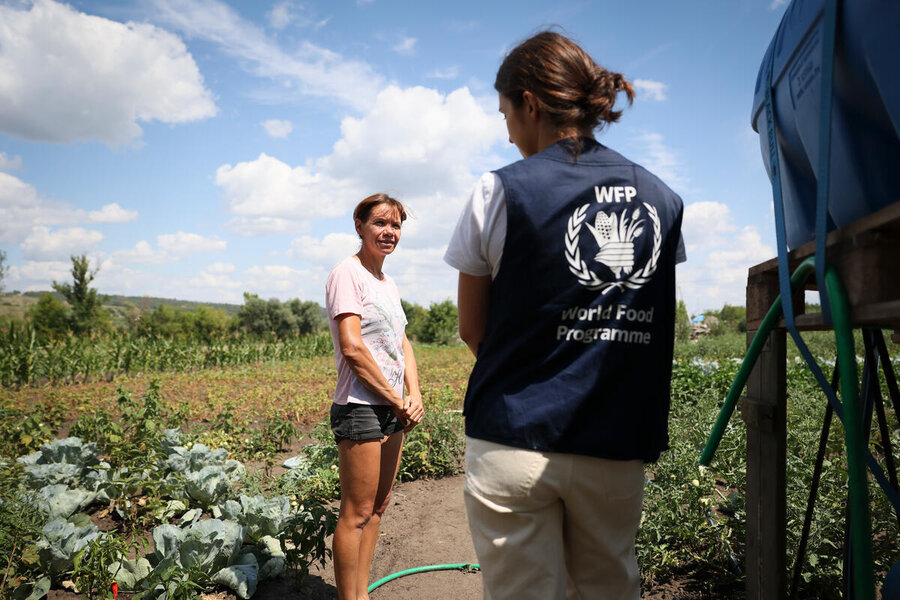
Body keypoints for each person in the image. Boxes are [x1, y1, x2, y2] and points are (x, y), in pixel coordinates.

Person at [443, 31, 686, 600]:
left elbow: (473, 329)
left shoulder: (497, 190)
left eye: (506, 114)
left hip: (513, 438)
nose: (506, 130)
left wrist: (537, 373)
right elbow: (651, 320)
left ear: (530, 103)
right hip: (616, 442)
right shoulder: (664, 200)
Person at [326, 193, 425, 600]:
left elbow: (402, 342)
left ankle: (361, 593)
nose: (389, 232)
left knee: (379, 507)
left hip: (392, 408)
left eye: (396, 225)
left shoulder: (387, 283)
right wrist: (394, 396)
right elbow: (352, 347)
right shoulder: (346, 274)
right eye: (380, 224)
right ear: (359, 227)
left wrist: (414, 392)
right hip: (361, 407)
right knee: (356, 512)